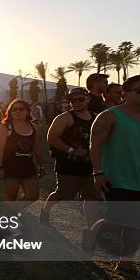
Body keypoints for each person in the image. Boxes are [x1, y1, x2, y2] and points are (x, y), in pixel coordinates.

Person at [88, 74, 140, 280]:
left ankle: (125, 263)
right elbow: (95, 144)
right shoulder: (110, 116)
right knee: (121, 220)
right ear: (125, 93)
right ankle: (94, 234)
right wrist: (97, 172)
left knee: (138, 223)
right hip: (116, 178)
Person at [40, 87, 99, 228]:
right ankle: (46, 210)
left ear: (88, 99)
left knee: (91, 196)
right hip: (68, 166)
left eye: (80, 99)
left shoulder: (96, 117)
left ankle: (91, 228)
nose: (76, 102)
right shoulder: (65, 118)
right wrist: (71, 150)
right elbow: (52, 137)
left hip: (91, 165)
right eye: (73, 100)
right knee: (63, 194)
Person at [0, 100, 44, 212]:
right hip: (11, 168)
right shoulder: (5, 128)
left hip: (28, 167)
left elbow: (37, 148)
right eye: (14, 109)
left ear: (27, 111)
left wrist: (41, 165)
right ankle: (7, 223)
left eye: (21, 109)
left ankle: (8, 216)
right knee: (10, 198)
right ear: (10, 112)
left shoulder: (34, 127)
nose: (17, 112)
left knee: (33, 196)